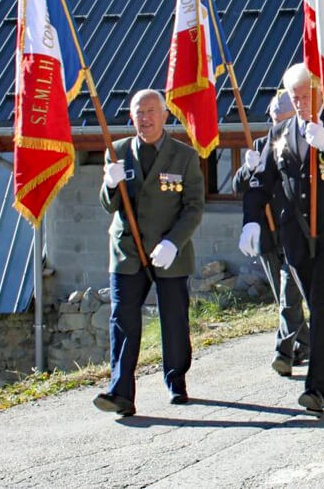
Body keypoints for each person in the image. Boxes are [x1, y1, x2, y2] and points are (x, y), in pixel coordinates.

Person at [239, 64, 324, 413]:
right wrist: (251, 221)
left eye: (305, 95)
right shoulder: (280, 132)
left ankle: (317, 387)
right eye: (294, 97)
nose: (300, 103)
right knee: (321, 306)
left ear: (321, 93)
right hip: (296, 233)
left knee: (321, 298)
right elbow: (261, 182)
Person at [94, 89, 204, 417]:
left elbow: (194, 206)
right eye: (139, 113)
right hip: (127, 249)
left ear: (165, 115)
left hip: (169, 251)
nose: (145, 118)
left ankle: (176, 380)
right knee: (123, 320)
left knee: (173, 318)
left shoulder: (184, 156)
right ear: (131, 117)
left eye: (152, 111)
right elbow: (109, 205)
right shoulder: (117, 152)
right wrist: (110, 186)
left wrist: (174, 242)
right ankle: (121, 391)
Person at [232, 90, 310, 377]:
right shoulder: (261, 145)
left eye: (283, 118)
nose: (276, 124)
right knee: (283, 297)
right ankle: (308, 343)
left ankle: (285, 350)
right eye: (274, 119)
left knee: (291, 296)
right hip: (268, 234)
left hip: (293, 231)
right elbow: (243, 187)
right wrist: (247, 168)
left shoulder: (300, 142)